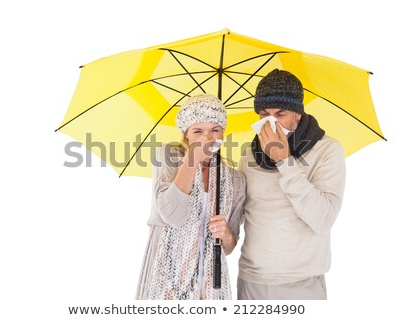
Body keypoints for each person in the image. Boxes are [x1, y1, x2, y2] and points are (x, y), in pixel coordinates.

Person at [237, 69, 346, 300]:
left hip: (302, 282)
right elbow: (239, 213)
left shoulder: (327, 150)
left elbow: (323, 218)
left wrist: (285, 161)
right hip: (252, 280)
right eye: (264, 113)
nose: (271, 122)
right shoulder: (248, 153)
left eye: (280, 114)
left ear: (297, 113)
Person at [136, 94, 246, 300]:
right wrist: (192, 160)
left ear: (223, 132)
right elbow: (172, 216)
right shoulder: (168, 157)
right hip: (167, 277)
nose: (208, 138)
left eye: (215, 130)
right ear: (186, 135)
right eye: (198, 131)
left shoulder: (234, 179)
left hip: (211, 285)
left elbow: (229, 247)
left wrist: (226, 235)